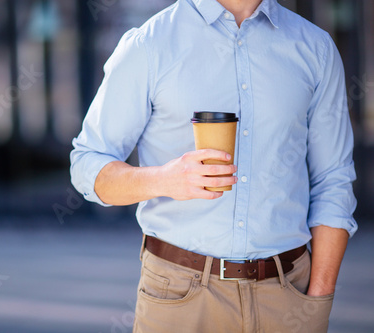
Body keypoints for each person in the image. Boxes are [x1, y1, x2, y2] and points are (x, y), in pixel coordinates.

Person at [70, 0, 357, 331]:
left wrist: (318, 298)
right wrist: (165, 180)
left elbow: (333, 180)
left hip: (288, 296)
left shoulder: (315, 48)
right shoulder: (150, 44)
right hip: (180, 298)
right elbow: (87, 164)